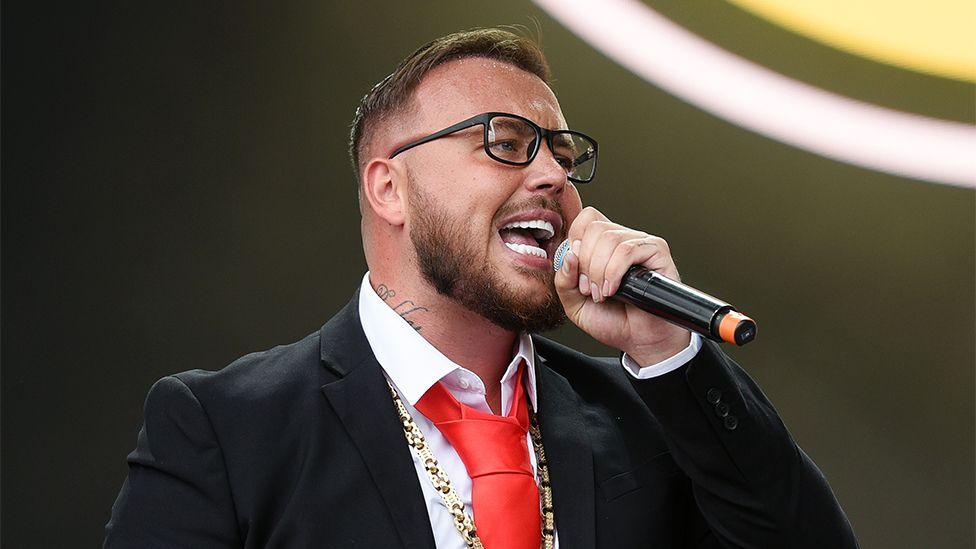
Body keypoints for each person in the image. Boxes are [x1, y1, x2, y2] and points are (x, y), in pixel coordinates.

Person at [104, 28, 858, 548]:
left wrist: (670, 352)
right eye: (506, 143)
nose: (555, 178)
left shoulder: (648, 419)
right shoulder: (226, 428)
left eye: (563, 155)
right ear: (389, 187)